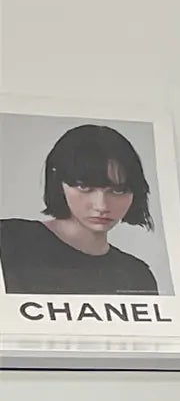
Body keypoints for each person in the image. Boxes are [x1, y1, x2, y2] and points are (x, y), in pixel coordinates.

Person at [1, 123, 159, 294]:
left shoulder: (136, 275)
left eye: (118, 191)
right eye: (85, 187)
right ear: (59, 183)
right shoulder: (8, 239)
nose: (102, 206)